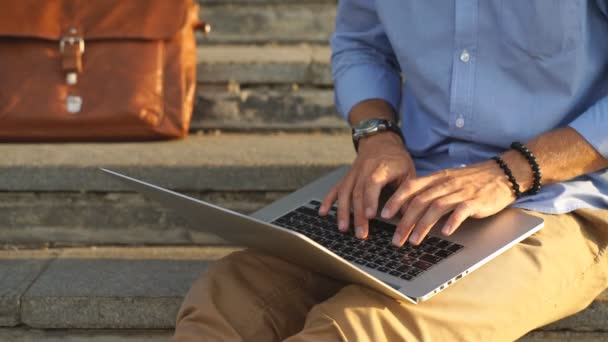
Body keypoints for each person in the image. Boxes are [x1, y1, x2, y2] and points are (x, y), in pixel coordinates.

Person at [173, 1, 608, 341]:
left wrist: (510, 172)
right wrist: (378, 137)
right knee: (227, 298)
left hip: (562, 203)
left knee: (359, 330)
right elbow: (361, 43)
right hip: (410, 188)